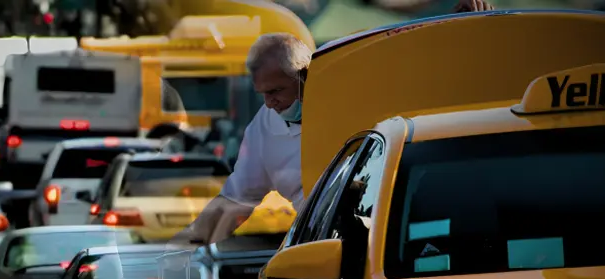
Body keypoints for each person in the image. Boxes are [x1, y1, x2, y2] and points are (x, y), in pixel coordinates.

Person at [169, 0, 494, 248]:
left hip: (414, 242)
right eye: (263, 94)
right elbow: (234, 202)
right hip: (329, 251)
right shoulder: (266, 129)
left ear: (305, 75)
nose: (270, 103)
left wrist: (464, 32)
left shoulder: (362, 96)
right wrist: (183, 245)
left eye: (277, 91)